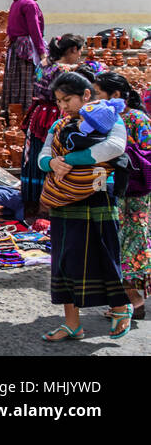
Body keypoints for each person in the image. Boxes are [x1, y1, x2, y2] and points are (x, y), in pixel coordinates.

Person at [39, 78, 131, 341]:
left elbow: (114, 147)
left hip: (98, 194)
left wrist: (68, 160)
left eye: (67, 100)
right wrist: (51, 164)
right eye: (58, 101)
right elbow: (43, 155)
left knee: (104, 250)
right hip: (63, 195)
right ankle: (72, 324)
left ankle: (120, 309)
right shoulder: (59, 125)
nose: (63, 106)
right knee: (66, 255)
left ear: (86, 95)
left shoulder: (111, 118)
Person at [93, 72, 151, 322]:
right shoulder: (105, 117)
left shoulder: (137, 119)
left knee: (128, 241)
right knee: (116, 239)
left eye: (98, 93)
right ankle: (129, 300)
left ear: (115, 95)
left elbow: (148, 152)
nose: (94, 97)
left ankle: (133, 300)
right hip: (111, 187)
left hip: (133, 191)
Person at [20, 35, 88, 219]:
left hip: (38, 113)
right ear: (73, 49)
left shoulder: (44, 63)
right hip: (54, 115)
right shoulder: (65, 71)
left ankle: (34, 203)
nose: (80, 55)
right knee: (55, 152)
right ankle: (49, 203)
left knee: (36, 152)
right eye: (80, 51)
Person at [3, 0, 46, 117]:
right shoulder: (30, 4)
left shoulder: (16, 3)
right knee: (29, 79)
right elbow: (35, 29)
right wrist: (42, 52)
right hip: (27, 48)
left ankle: (12, 111)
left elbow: (11, 25)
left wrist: (11, 35)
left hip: (16, 47)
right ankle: (26, 112)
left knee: (16, 78)